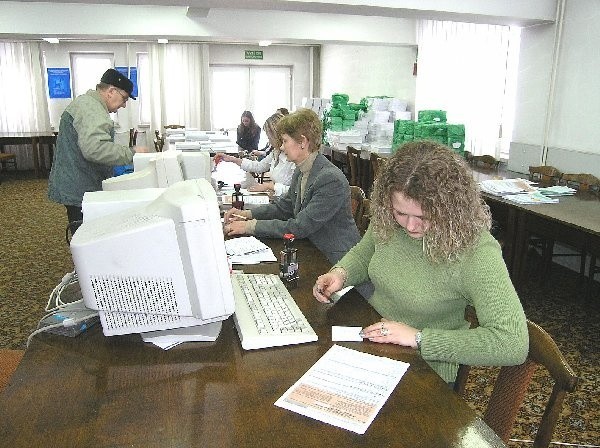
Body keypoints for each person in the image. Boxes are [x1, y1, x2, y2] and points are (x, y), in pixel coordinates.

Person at [312, 141, 528, 384]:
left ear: (451, 209)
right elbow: (367, 252)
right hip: (376, 340)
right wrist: (341, 273)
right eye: (401, 213)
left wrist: (419, 338)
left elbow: (513, 343)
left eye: (424, 217)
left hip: (425, 371)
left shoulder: (476, 252)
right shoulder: (388, 219)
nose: (410, 227)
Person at [223, 108, 367, 277]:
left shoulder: (330, 179)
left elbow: (300, 226)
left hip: (335, 260)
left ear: (303, 142)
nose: (282, 147)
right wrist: (246, 214)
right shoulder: (302, 169)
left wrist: (250, 226)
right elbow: (285, 206)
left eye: (285, 141)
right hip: (312, 248)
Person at [48, 68, 148, 231]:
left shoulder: (86, 103)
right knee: (87, 238)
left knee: (83, 234)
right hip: (80, 185)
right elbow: (95, 149)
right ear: (111, 91)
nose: (123, 105)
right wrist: (132, 153)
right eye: (124, 99)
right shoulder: (92, 109)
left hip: (76, 179)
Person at [214, 112, 294, 196]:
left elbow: (295, 192)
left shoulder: (294, 157)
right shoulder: (276, 152)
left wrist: (270, 186)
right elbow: (259, 166)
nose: (269, 141)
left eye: (270, 137)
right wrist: (232, 159)